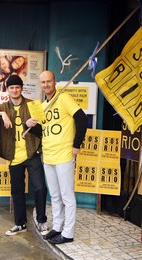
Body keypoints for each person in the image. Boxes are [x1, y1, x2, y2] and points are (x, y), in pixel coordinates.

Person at [0, 75, 48, 236]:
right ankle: (20, 223)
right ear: (8, 90)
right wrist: (1, 114)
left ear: (21, 88)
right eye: (11, 88)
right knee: (17, 191)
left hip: (32, 153)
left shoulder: (32, 104)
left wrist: (34, 125)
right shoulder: (3, 106)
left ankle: (41, 221)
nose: (15, 90)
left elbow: (44, 126)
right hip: (13, 156)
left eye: (17, 87)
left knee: (40, 188)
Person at [25, 70, 87, 244]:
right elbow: (42, 130)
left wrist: (76, 145)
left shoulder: (64, 98)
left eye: (49, 81)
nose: (46, 85)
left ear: (55, 82)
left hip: (64, 154)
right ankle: (58, 227)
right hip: (48, 155)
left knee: (67, 195)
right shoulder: (43, 106)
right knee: (55, 196)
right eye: (43, 82)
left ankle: (68, 233)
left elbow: (82, 119)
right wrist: (29, 124)